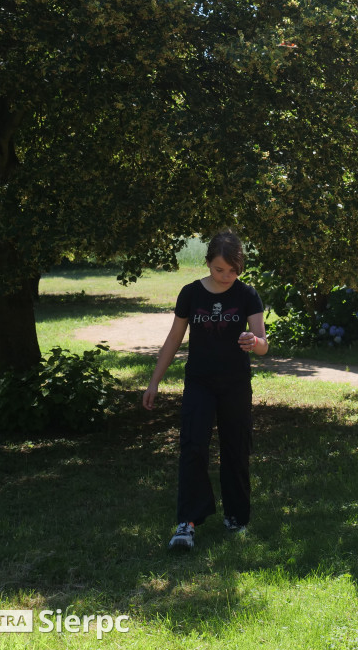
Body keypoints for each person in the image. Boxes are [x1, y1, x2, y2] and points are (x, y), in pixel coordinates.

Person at [142, 230, 268, 551]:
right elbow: (174, 339)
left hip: (235, 384)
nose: (226, 277)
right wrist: (154, 381)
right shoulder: (190, 294)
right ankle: (187, 522)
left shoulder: (247, 295)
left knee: (236, 448)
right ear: (208, 262)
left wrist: (254, 342)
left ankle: (236, 517)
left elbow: (263, 344)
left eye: (233, 271)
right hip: (199, 383)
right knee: (193, 446)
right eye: (219, 269)